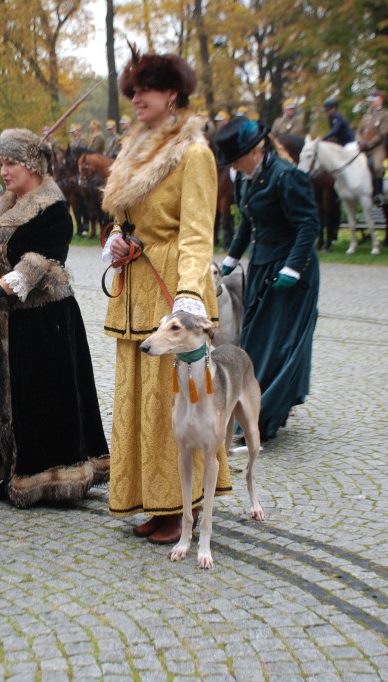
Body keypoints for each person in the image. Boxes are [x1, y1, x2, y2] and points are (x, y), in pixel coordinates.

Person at [100, 50, 226, 544]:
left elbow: (198, 234)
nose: (135, 100)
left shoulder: (194, 154)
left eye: (143, 91)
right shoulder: (135, 149)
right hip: (134, 287)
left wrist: (190, 296)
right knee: (138, 399)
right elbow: (126, 218)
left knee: (172, 403)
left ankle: (181, 507)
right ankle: (151, 501)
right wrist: (116, 237)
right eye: (131, 92)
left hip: (171, 292)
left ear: (171, 94)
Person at [0, 128, 110, 507]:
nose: (4, 171)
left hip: (44, 320)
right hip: (5, 318)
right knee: (7, 400)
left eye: (11, 163)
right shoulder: (5, 201)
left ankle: (48, 479)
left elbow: (43, 259)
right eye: (1, 163)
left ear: (32, 164)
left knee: (43, 399)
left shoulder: (53, 207)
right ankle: (5, 472)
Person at [216, 116, 320, 442]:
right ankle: (255, 411)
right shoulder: (246, 179)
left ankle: (263, 419)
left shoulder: (287, 177)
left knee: (280, 343)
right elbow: (248, 222)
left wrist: (293, 268)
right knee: (257, 340)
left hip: (292, 272)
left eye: (237, 158)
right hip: (262, 267)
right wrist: (232, 257)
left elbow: (308, 226)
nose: (234, 165)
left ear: (256, 149)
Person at [356, 90, 388, 205]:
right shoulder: (366, 116)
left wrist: (369, 144)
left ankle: (378, 193)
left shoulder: (385, 115)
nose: (370, 104)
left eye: (372, 101)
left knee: (377, 166)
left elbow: (382, 134)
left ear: (380, 100)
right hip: (363, 145)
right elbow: (358, 131)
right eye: (369, 102)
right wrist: (360, 141)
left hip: (377, 147)